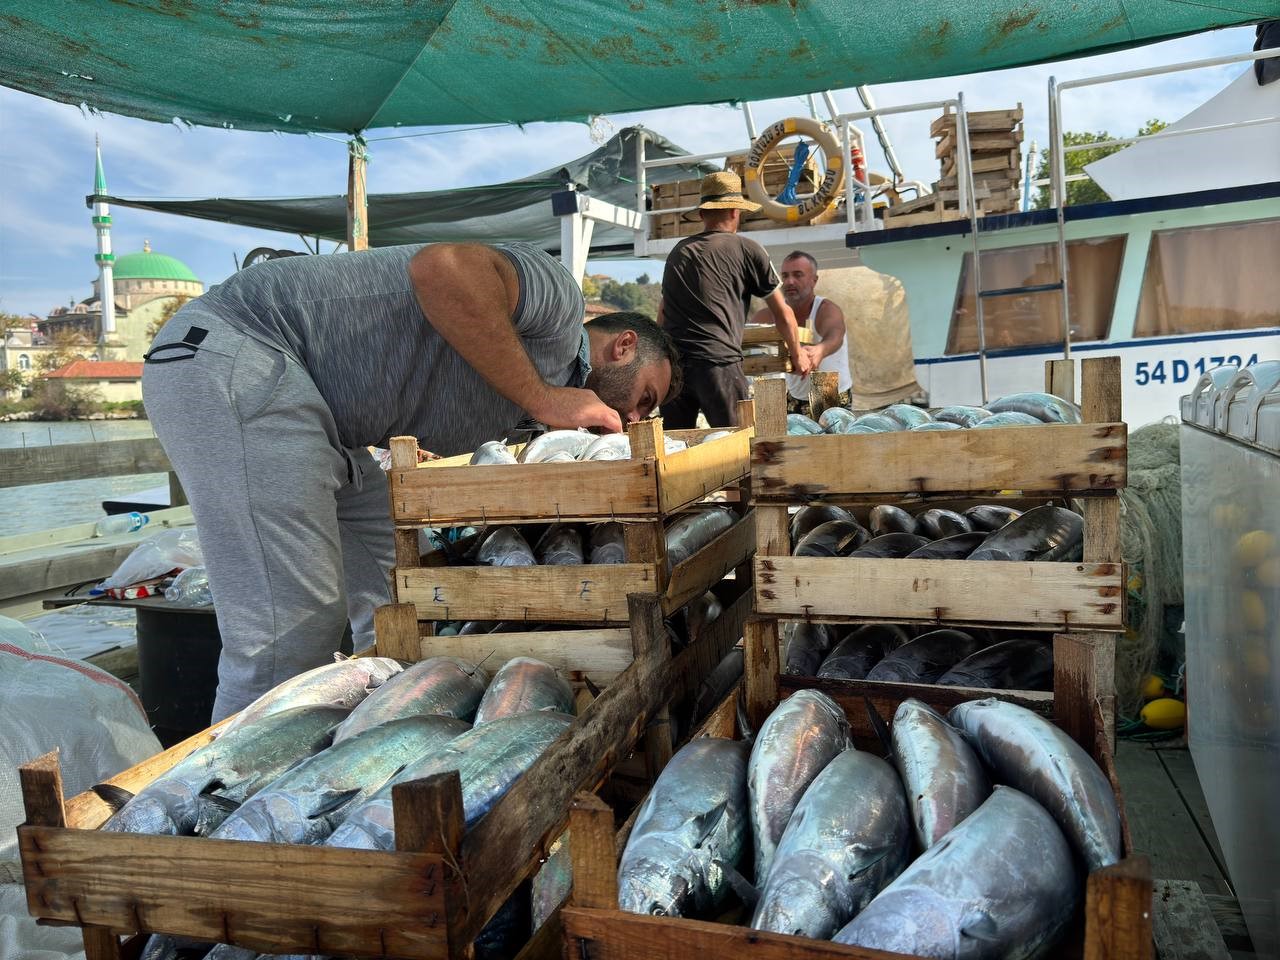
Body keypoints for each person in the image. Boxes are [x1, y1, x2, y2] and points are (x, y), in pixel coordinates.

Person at [141, 241, 679, 721]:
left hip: (330, 418)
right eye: (644, 400)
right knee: (290, 630)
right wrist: (547, 398)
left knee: (404, 592)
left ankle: (382, 733)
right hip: (240, 353)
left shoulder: (535, 420)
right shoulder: (559, 302)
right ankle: (230, 812)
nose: (635, 420)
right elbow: (443, 267)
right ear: (624, 346)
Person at [657, 171, 815, 427]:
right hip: (719, 366)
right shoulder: (748, 249)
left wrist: (662, 367)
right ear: (735, 212)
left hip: (674, 370)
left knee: (675, 447)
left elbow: (663, 315)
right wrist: (797, 354)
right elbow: (782, 312)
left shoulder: (679, 252)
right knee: (738, 445)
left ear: (701, 214)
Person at [751, 250, 853, 412]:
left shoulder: (826, 309)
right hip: (795, 396)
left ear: (814, 280)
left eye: (798, 275)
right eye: (785, 276)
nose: (790, 281)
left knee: (828, 435)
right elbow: (746, 338)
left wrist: (820, 350)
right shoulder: (769, 314)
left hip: (829, 391)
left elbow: (835, 335)